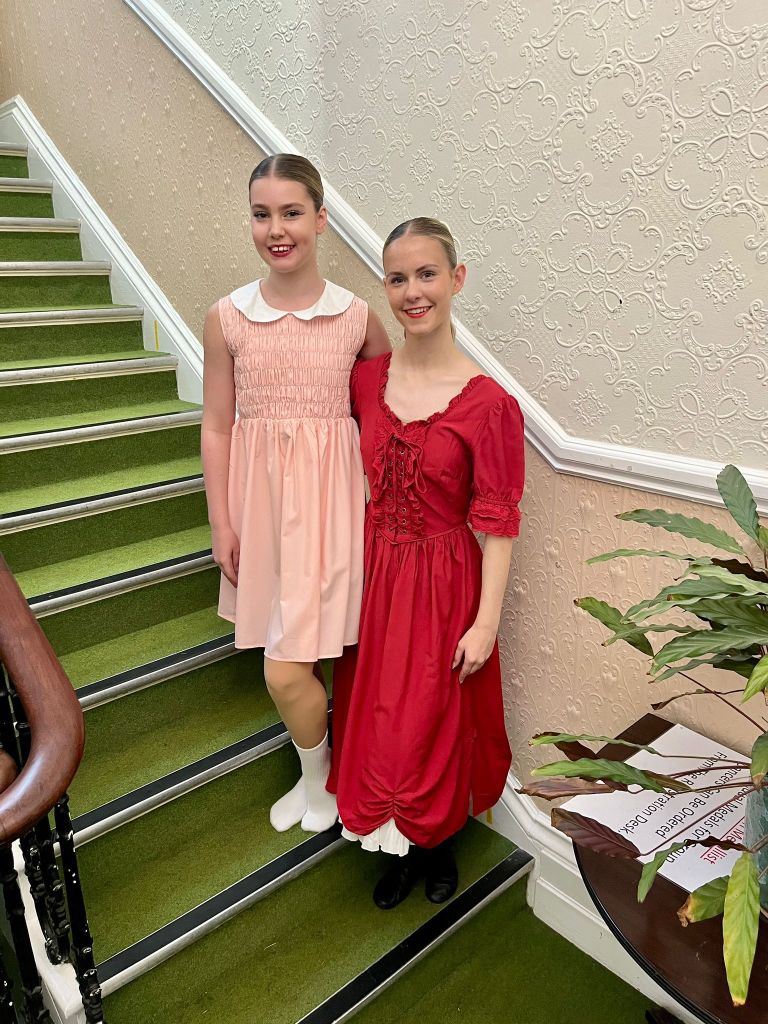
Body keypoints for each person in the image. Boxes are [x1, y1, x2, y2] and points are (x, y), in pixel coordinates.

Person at [328, 217, 525, 908]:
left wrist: (486, 623)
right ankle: (400, 847)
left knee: (434, 720)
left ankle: (437, 843)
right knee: (381, 717)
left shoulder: (490, 405)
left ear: (456, 279)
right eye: (398, 278)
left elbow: (499, 524)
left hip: (445, 585)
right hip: (375, 576)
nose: (413, 291)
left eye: (427, 274)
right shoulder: (365, 381)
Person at [202, 153, 390, 834]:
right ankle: (320, 783)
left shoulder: (358, 318)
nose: (276, 229)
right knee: (290, 663)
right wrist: (221, 522)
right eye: (262, 214)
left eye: (291, 213)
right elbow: (217, 425)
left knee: (290, 670)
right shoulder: (227, 317)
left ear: (321, 218)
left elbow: (386, 421)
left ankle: (321, 782)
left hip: (334, 513)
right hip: (262, 512)